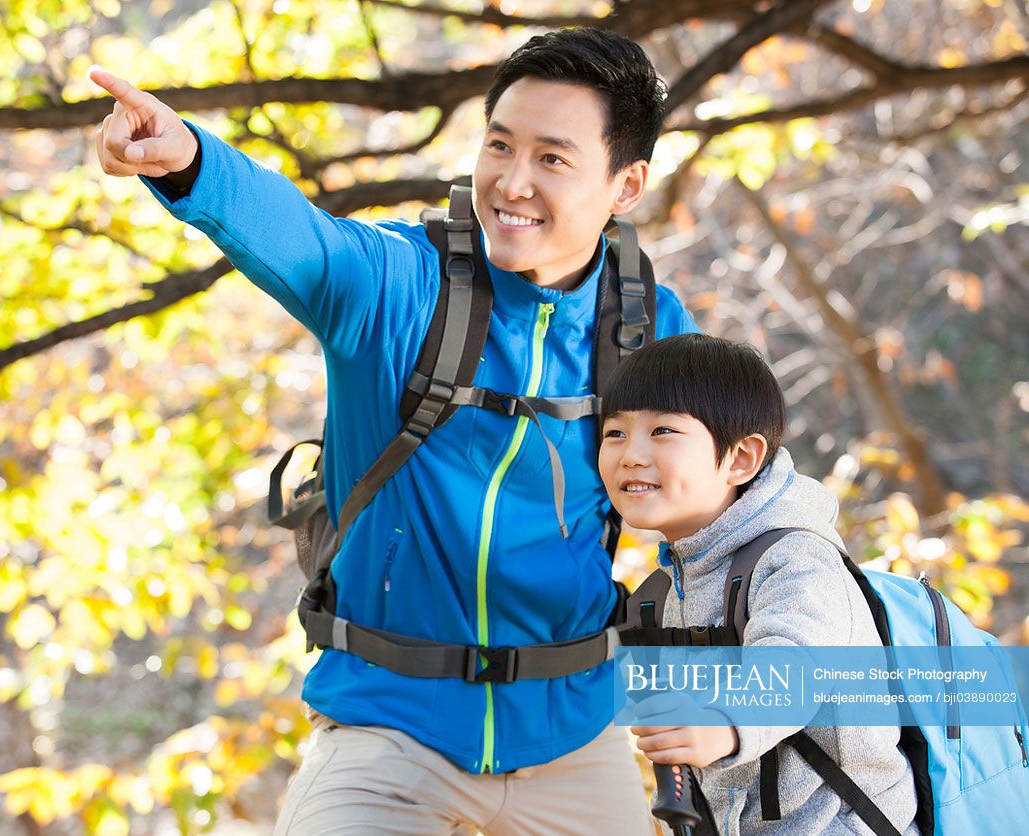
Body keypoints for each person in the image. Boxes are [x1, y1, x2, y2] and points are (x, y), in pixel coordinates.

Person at [93, 28, 698, 835]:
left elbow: (718, 527)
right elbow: (297, 234)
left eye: (552, 159)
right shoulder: (396, 286)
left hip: (575, 739)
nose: (511, 182)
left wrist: (732, 716)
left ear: (624, 185)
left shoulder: (650, 332)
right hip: (388, 734)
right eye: (498, 146)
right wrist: (191, 159)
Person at [598, 333, 918, 834]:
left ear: (741, 459)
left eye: (661, 430)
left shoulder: (796, 558)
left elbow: (797, 664)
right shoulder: (668, 585)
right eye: (614, 433)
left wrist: (723, 721)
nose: (630, 455)